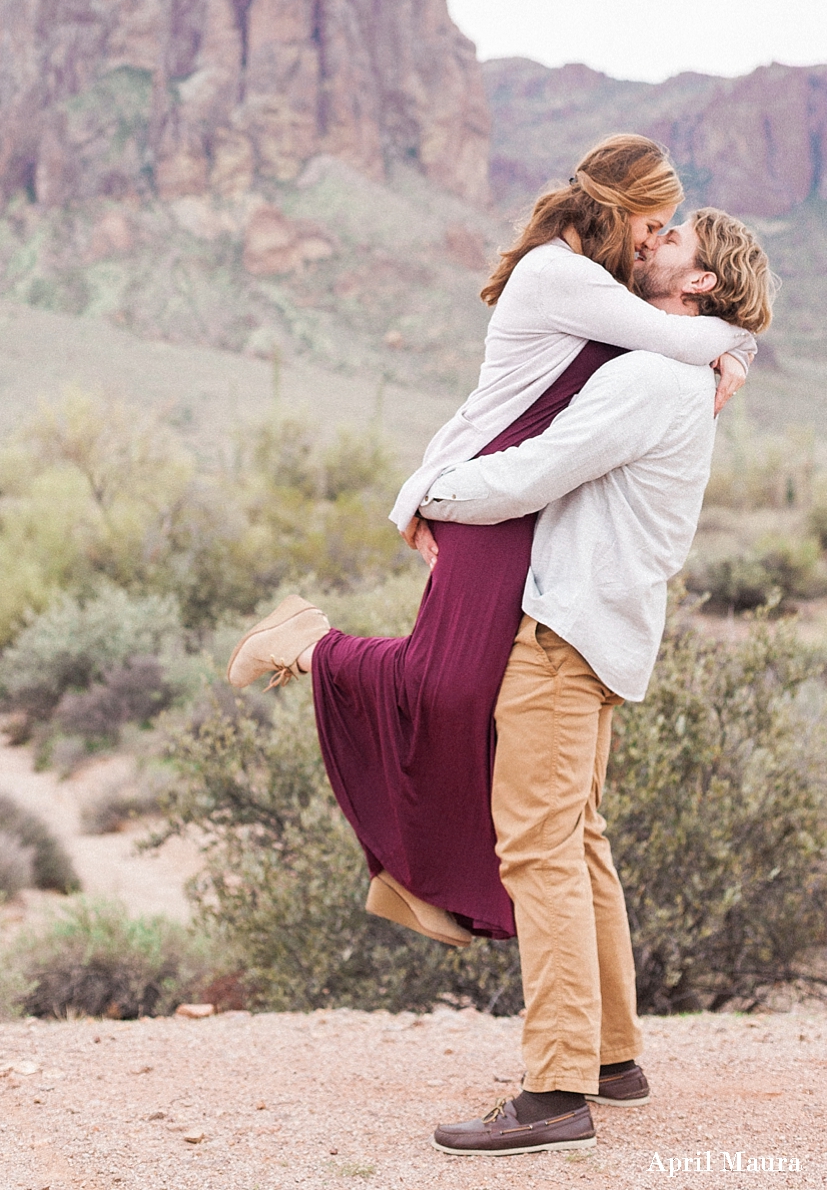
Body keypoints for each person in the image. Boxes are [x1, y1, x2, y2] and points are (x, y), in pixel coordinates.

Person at [227, 135, 762, 950]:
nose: (657, 239)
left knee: (467, 699)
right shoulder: (562, 275)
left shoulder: (603, 284)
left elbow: (674, 339)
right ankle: (311, 648)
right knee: (444, 687)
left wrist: (730, 338)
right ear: (622, 213)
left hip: (515, 507)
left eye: (670, 233)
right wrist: (735, 342)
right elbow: (684, 340)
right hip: (485, 492)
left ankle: (418, 877)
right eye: (655, 224)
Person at [416, 204, 775, 1156]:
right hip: (603, 630)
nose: (649, 243)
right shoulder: (680, 367)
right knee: (577, 840)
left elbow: (537, 471)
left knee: (537, 849)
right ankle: (611, 1059)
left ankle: (555, 1088)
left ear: (696, 284)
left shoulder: (651, 377)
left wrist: (426, 495)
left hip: (563, 633)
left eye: (670, 243)